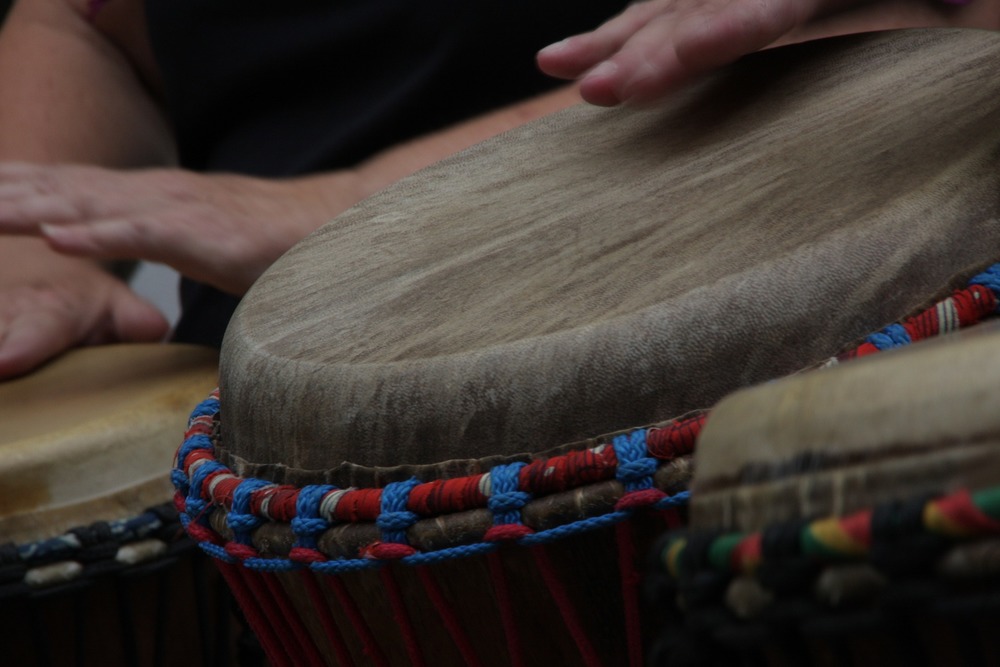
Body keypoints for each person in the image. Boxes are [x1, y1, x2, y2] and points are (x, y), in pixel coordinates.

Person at [0, 0, 996, 380]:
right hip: (256, 444)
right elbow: (88, 25)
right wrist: (30, 245)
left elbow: (930, 24)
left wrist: (361, 203)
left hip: (750, 345)